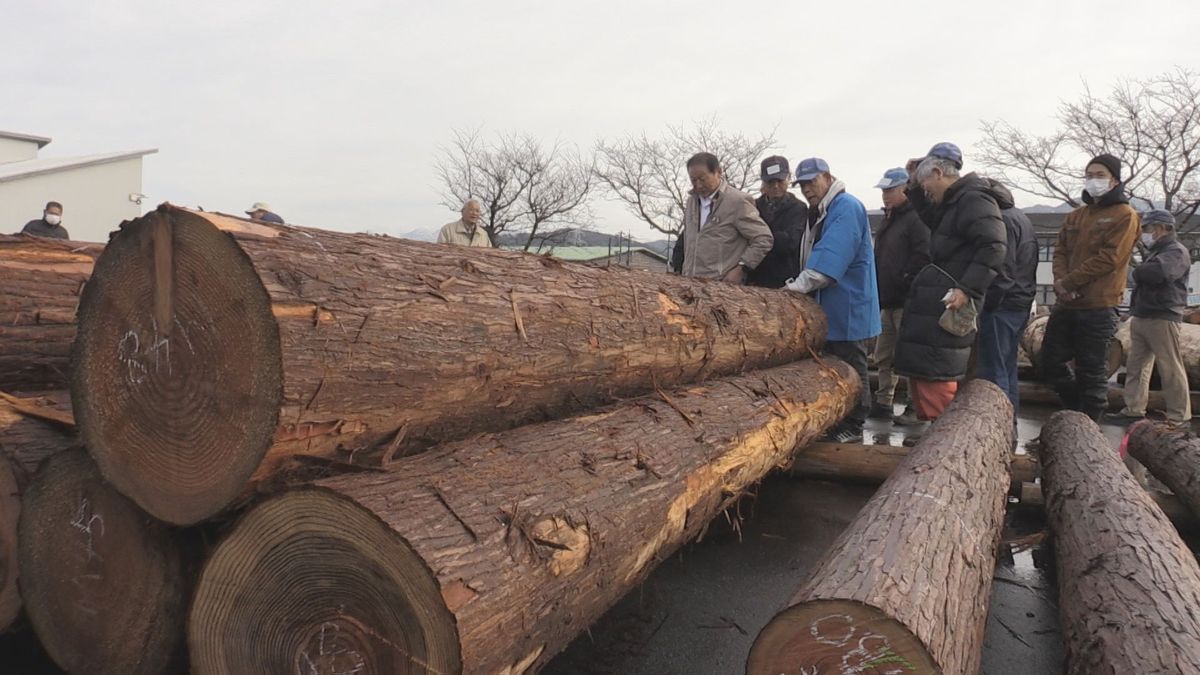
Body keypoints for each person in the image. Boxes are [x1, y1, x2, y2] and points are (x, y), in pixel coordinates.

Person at [893, 143, 1006, 423]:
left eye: (925, 182)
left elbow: (993, 246)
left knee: (937, 374)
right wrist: (914, 185)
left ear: (938, 172)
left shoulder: (974, 200)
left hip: (951, 302)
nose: (925, 189)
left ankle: (942, 442)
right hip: (936, 299)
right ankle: (931, 437)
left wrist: (967, 289)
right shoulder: (953, 203)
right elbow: (931, 217)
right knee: (926, 373)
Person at [785, 158, 881, 442]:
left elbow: (831, 257)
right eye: (802, 185)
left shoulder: (845, 207)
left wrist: (795, 288)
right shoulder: (822, 211)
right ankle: (838, 418)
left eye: (811, 182)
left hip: (847, 301)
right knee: (834, 365)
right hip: (831, 303)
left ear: (827, 177)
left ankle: (855, 422)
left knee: (852, 363)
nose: (806, 189)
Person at [1041, 154, 1140, 420]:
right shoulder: (1076, 216)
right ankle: (1075, 410)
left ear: (1114, 180)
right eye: (1089, 175)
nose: (1093, 180)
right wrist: (1061, 282)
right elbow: (1060, 250)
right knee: (1049, 361)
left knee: (1092, 371)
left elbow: (1110, 258)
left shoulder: (1125, 215)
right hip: (1067, 302)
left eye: (1100, 175)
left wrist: (1071, 282)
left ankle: (1090, 425)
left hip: (1099, 304)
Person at [1108, 209, 1192, 424]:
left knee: (1170, 367)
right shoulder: (1156, 253)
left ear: (1163, 228)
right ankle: (1133, 408)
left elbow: (1158, 274)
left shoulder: (1176, 252)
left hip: (1163, 316)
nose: (1145, 233)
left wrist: (1138, 271)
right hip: (1144, 314)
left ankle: (1178, 415)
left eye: (1148, 228)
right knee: (1137, 366)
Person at [867, 167, 930, 421]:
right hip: (888, 299)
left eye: (890, 189)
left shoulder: (917, 218)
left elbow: (923, 255)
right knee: (884, 355)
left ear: (905, 188)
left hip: (908, 300)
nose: (885, 195)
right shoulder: (889, 219)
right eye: (884, 190)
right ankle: (883, 402)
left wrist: (907, 281)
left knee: (910, 356)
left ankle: (915, 406)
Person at [975, 179, 1038, 415]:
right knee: (1007, 366)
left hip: (1003, 304)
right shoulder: (1021, 218)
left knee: (993, 370)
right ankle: (1008, 419)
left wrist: (986, 305)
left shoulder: (1004, 222)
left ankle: (996, 420)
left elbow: (1003, 270)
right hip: (1019, 301)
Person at [676, 152, 773, 282]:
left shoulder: (737, 202)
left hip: (720, 286)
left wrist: (742, 268)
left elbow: (763, 238)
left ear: (718, 172)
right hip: (689, 283)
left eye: (703, 179)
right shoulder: (691, 202)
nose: (698, 185)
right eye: (693, 180)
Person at [747, 156, 807, 288]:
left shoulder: (799, 208)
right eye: (770, 182)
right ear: (763, 182)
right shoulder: (752, 207)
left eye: (780, 180)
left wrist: (760, 240)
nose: (775, 186)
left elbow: (790, 242)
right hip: (755, 280)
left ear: (788, 178)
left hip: (786, 283)